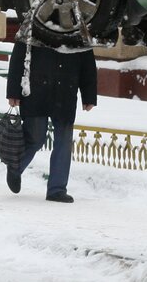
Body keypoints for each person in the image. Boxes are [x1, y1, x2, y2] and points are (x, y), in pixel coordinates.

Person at [5, 39, 97, 203]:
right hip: (36, 91)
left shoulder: (76, 26)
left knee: (64, 142)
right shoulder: (36, 20)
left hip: (66, 92)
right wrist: (13, 92)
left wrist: (89, 95)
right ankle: (15, 168)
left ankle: (57, 189)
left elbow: (87, 62)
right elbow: (18, 57)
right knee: (35, 137)